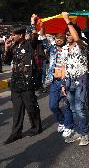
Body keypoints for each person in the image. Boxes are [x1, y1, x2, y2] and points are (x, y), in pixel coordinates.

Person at [3, 15, 42, 144]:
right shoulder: (13, 46)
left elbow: (34, 36)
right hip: (15, 83)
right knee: (17, 109)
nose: (12, 36)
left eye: (14, 34)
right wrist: (7, 48)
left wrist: (32, 23)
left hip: (28, 82)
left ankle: (36, 127)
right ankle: (16, 133)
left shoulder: (29, 44)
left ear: (21, 35)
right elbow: (6, 61)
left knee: (31, 107)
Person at [61, 12, 89, 146]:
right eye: (66, 34)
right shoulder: (64, 49)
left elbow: (77, 39)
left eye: (69, 34)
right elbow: (63, 67)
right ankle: (78, 132)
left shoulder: (81, 45)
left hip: (81, 79)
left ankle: (85, 133)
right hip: (68, 81)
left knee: (80, 108)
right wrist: (63, 85)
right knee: (72, 108)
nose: (67, 36)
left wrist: (68, 20)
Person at [45, 21, 74, 137]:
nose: (59, 40)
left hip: (66, 81)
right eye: (57, 38)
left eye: (61, 38)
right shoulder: (52, 49)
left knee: (67, 105)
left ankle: (68, 125)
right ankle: (62, 121)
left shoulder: (68, 50)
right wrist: (40, 25)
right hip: (54, 81)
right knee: (52, 105)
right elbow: (42, 39)